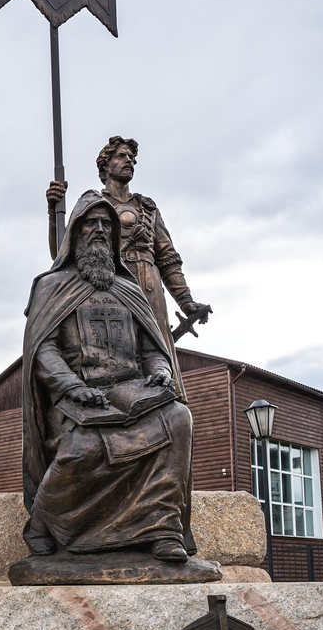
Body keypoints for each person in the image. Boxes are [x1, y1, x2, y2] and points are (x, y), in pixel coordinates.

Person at [22, 191, 195, 562]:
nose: (99, 230)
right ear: (75, 231)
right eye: (91, 223)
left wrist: (162, 372)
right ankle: (43, 521)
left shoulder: (130, 290)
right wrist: (73, 386)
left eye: (106, 225)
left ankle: (163, 529)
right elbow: (44, 350)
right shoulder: (51, 287)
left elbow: (152, 350)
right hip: (75, 398)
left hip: (132, 392)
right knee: (83, 448)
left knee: (179, 418)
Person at [47, 136, 209, 392]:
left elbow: (167, 258)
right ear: (105, 165)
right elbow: (62, 252)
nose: (129, 161)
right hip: (110, 284)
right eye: (121, 156)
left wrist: (186, 301)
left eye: (132, 158)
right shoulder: (93, 206)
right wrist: (53, 212)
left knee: (156, 351)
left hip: (148, 285)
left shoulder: (147, 208)